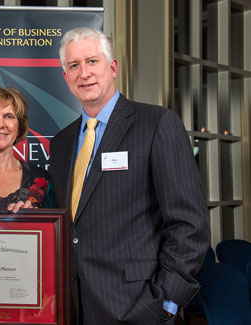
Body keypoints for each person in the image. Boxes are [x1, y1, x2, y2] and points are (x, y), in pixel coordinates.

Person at [49, 28, 209, 324]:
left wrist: (166, 304)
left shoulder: (157, 124)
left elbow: (189, 225)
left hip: (140, 308)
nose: (84, 73)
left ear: (112, 68)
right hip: (75, 308)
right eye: (74, 66)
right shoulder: (60, 143)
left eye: (92, 61)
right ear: (65, 77)